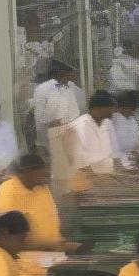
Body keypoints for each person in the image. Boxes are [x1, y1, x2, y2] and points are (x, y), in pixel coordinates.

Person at [0, 154, 77, 276]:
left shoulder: (42, 188)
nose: (47, 172)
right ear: (28, 172)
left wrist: (61, 244)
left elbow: (51, 221)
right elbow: (9, 242)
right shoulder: (8, 191)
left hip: (52, 255)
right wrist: (52, 246)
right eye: (42, 169)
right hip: (24, 262)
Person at [33, 60, 86, 195]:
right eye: (69, 73)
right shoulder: (42, 89)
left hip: (70, 134)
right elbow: (39, 117)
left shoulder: (72, 89)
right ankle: (59, 197)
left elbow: (77, 112)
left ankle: (73, 195)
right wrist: (53, 123)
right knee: (57, 174)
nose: (71, 76)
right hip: (50, 136)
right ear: (59, 73)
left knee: (73, 170)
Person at [64, 91, 130, 195]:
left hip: (107, 178)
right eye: (109, 109)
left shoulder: (107, 124)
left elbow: (114, 152)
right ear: (98, 109)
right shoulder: (78, 127)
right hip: (85, 185)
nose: (112, 112)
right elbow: (79, 164)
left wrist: (122, 175)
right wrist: (104, 183)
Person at [111, 91, 139, 159]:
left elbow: (136, 137)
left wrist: (136, 149)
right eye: (126, 108)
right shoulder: (114, 118)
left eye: (132, 109)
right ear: (120, 108)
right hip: (116, 156)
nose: (130, 112)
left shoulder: (132, 120)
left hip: (131, 155)